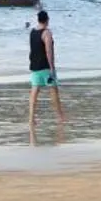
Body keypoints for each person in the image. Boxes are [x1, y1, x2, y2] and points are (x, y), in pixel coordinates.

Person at [27, 9, 64, 142]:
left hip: (35, 66)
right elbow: (49, 51)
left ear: (38, 20)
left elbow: (33, 49)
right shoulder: (46, 33)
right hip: (45, 67)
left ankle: (31, 119)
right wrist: (52, 68)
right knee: (54, 91)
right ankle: (60, 117)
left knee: (34, 92)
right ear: (47, 20)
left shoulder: (32, 32)